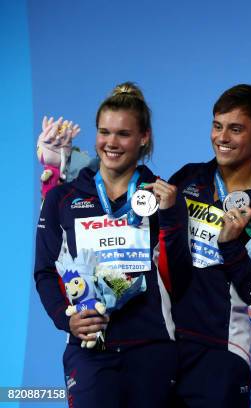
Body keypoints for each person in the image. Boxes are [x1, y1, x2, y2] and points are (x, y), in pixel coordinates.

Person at [34, 82, 183, 407]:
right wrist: (67, 320)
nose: (111, 143)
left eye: (123, 134)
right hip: (89, 348)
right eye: (104, 132)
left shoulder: (163, 197)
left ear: (143, 137)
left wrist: (172, 218)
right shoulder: (63, 198)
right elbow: (45, 271)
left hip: (152, 346)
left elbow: (181, 273)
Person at [166, 84, 251, 407]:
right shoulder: (188, 179)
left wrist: (232, 247)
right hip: (166, 342)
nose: (221, 137)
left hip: (223, 349)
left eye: (235, 129)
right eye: (217, 126)